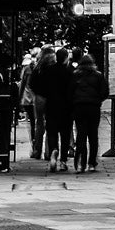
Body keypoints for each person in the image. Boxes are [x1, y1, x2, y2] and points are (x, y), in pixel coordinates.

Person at [71, 48, 106, 173]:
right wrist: (97, 100)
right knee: (93, 136)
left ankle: (82, 163)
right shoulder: (98, 75)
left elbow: (70, 92)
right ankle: (92, 163)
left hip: (79, 107)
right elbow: (104, 92)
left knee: (81, 135)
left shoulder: (75, 75)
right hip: (93, 108)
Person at [43, 44, 76, 172]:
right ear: (66, 58)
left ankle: (53, 150)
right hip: (66, 107)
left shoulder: (49, 71)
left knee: (52, 131)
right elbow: (73, 89)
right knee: (65, 134)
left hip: (51, 105)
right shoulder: (69, 72)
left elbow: (43, 87)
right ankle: (63, 160)